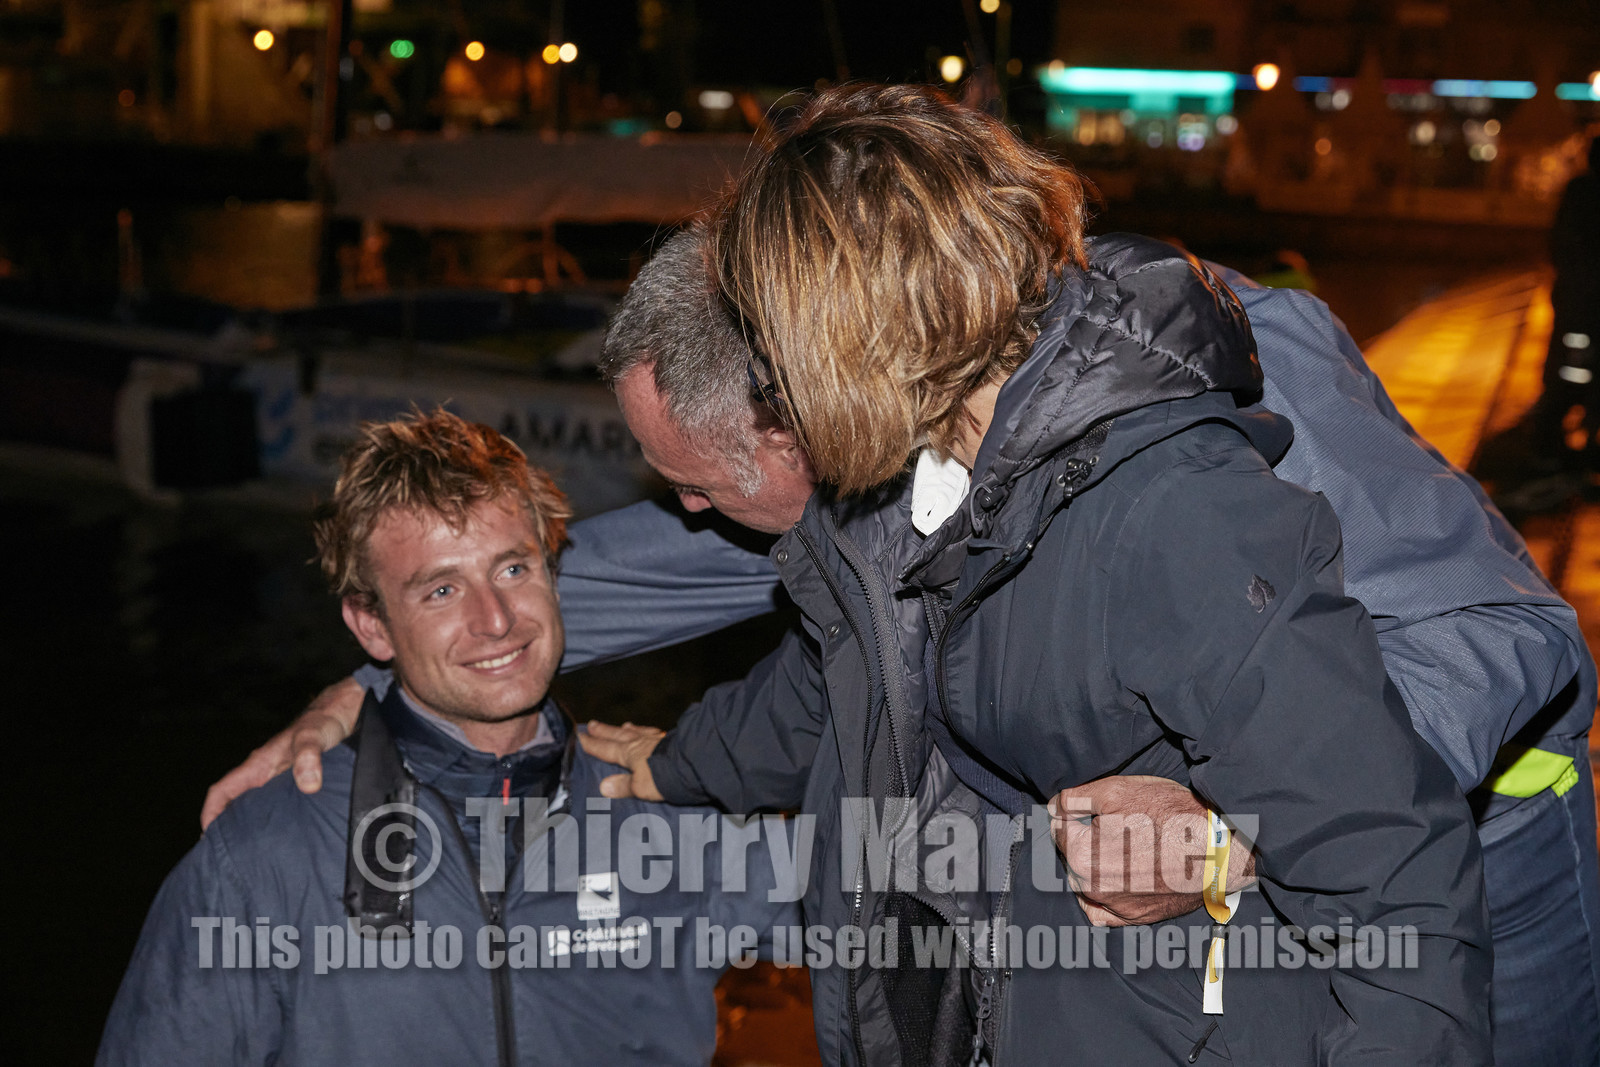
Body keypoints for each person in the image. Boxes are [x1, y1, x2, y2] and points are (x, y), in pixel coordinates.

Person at [213, 212, 1597, 1065]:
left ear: (799, 414)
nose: (687, 517)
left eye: (699, 482)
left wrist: (1234, 812)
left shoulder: (1239, 357)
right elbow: (644, 587)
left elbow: (1507, 629)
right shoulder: (874, 465)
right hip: (1197, 946)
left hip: (1486, 863)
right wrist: (378, 674)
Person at [700, 82, 1491, 1062]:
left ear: (848, 334)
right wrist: (663, 768)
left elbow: (1397, 880)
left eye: (772, 352)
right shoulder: (952, 484)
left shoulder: (1163, 509)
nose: (772, 390)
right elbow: (831, 675)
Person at [100, 411, 796, 1066]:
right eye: (440, 590)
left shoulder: (663, 805)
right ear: (370, 625)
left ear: (555, 578)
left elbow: (886, 889)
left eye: (513, 568)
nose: (495, 619)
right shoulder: (261, 859)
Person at [1533, 135, 1600, 468]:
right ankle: (1579, 434)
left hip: (1576, 301)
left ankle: (1552, 437)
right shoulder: (1583, 193)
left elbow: (1560, 242)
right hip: (1585, 302)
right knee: (1582, 371)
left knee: (1570, 368)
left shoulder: (1578, 192)